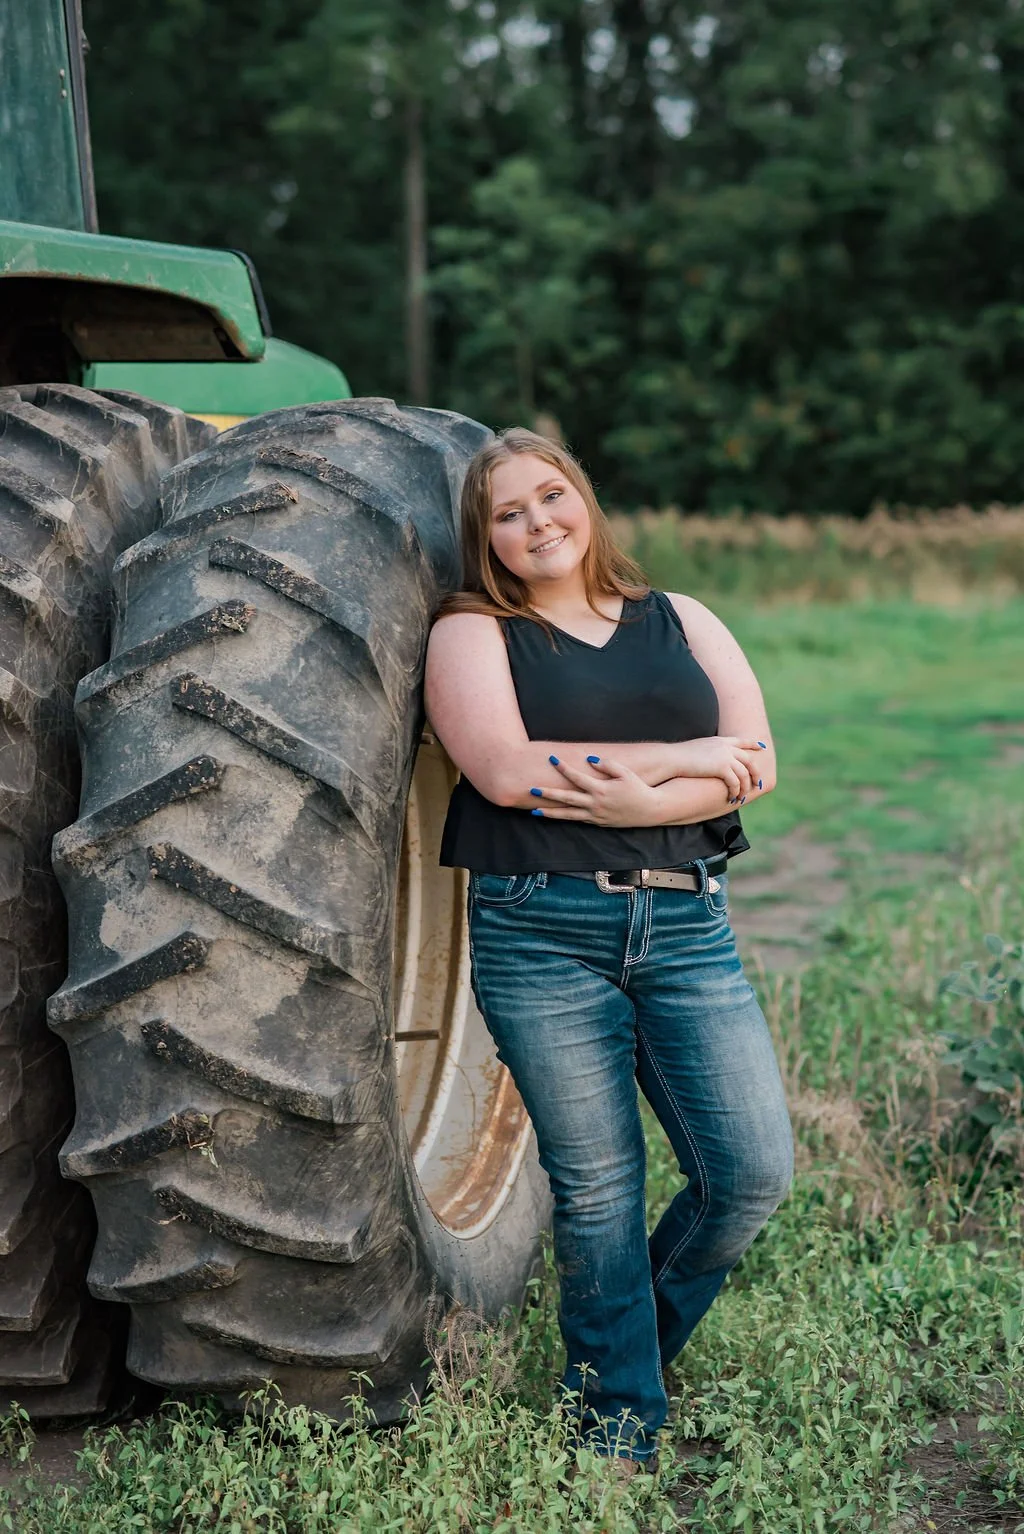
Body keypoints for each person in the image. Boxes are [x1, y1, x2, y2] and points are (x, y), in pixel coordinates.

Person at [424, 428, 794, 1470]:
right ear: (485, 538)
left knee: (751, 1174)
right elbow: (504, 771)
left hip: (686, 923)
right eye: (508, 513)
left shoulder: (681, 618)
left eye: (551, 497)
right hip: (543, 927)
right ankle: (614, 1423)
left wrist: (647, 787)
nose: (537, 522)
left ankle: (623, 1350)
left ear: (582, 501)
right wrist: (680, 767)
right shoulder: (473, 633)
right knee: (596, 1188)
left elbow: (758, 762)